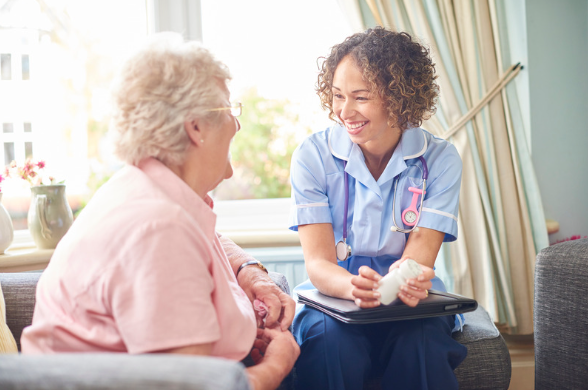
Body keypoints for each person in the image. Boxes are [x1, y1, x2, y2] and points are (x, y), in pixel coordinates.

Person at [21, 32, 299, 390]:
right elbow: (191, 388)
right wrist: (279, 363)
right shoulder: (159, 228)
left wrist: (247, 270)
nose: (237, 124)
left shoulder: (151, 189)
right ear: (196, 127)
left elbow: (208, 240)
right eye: (230, 110)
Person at [289, 27, 467, 389]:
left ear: (399, 97)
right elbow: (320, 264)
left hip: (406, 296)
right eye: (338, 96)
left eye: (361, 97)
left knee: (420, 344)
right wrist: (354, 287)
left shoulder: (440, 159)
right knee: (329, 344)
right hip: (334, 293)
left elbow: (419, 257)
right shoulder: (313, 156)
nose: (344, 111)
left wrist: (405, 280)